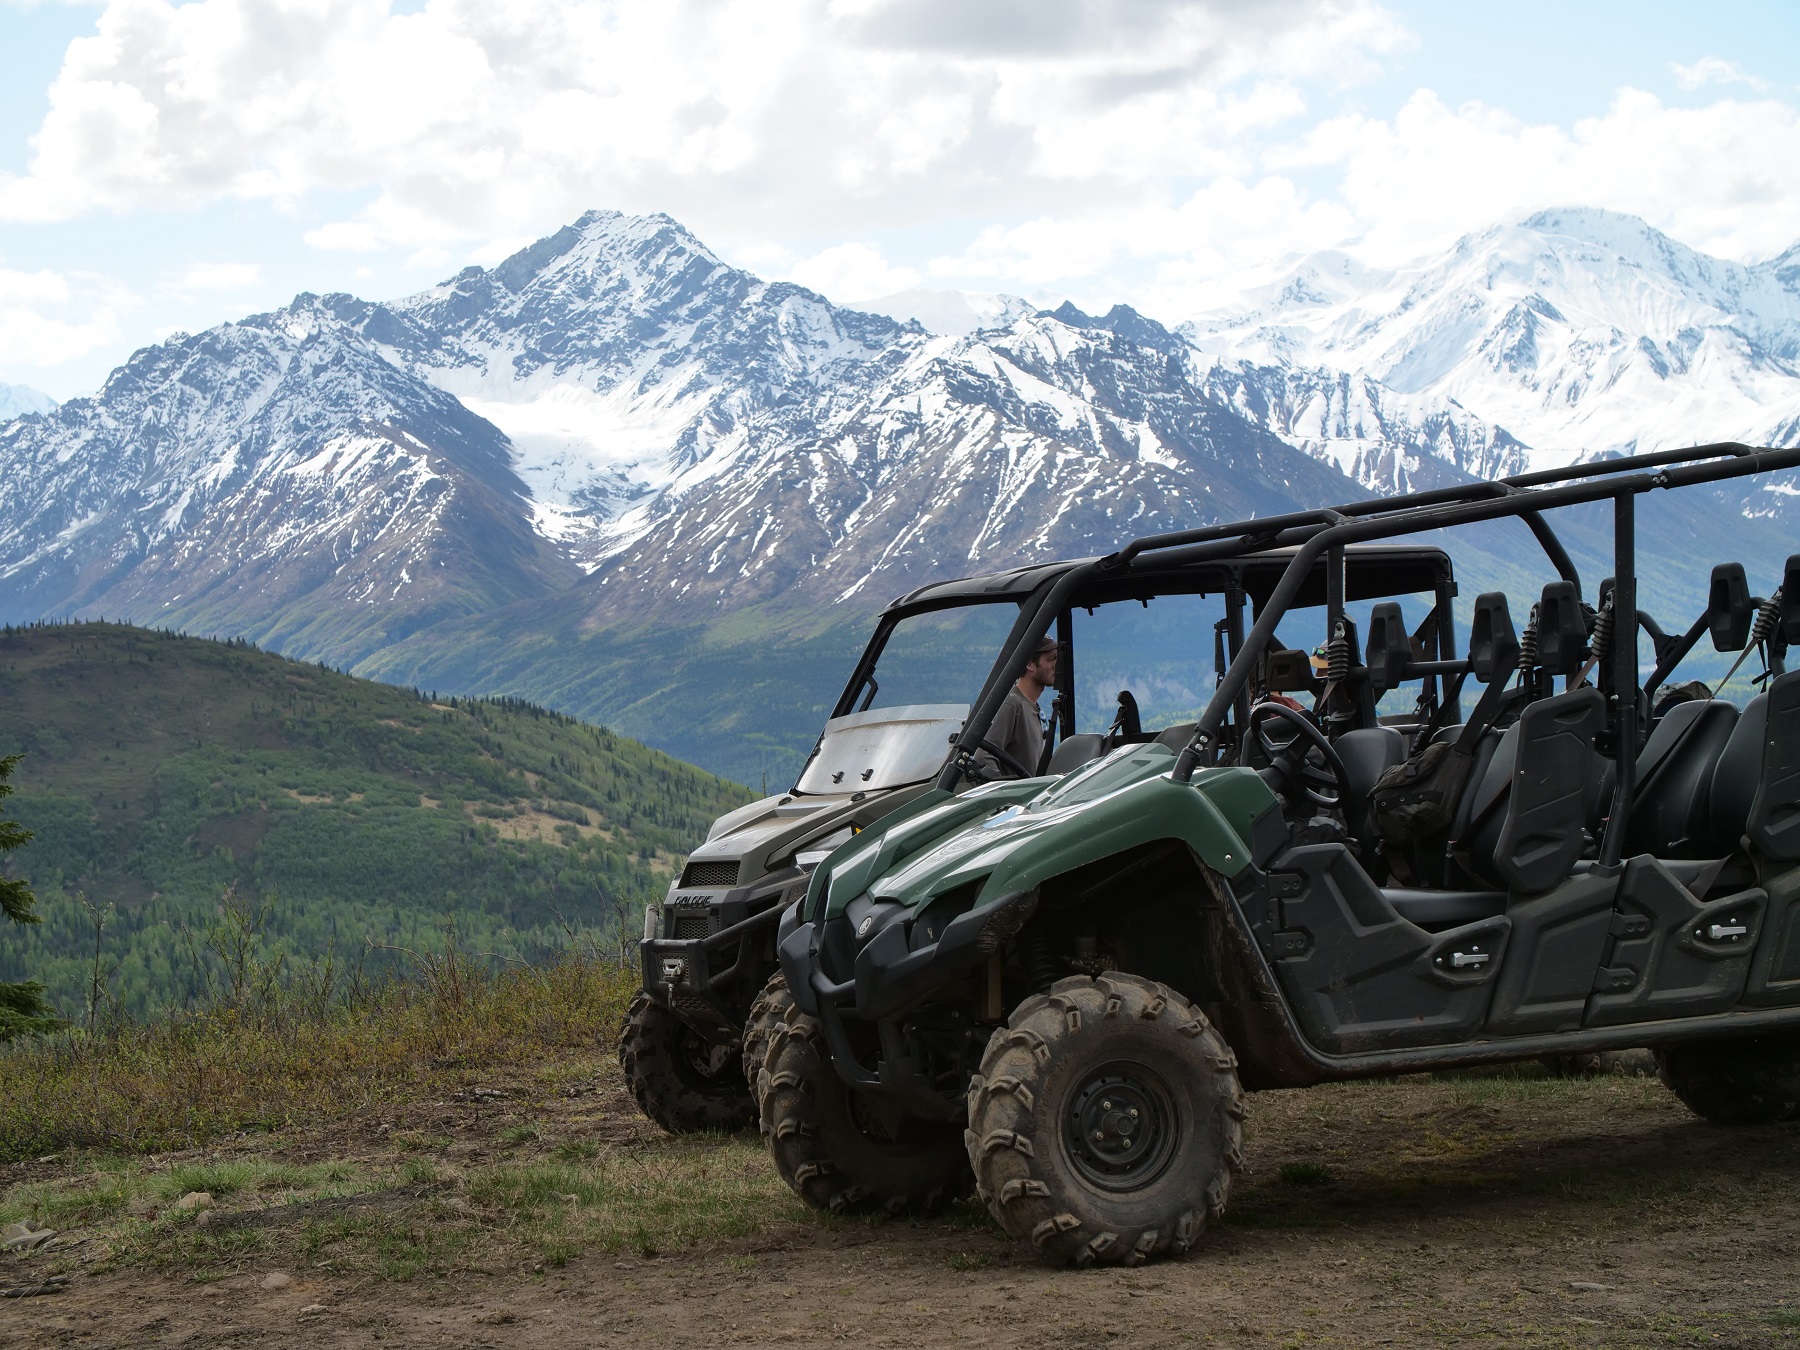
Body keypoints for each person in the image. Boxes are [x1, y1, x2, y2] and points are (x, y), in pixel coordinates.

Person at [975, 635, 1057, 778]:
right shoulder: (1012, 704)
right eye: (1051, 659)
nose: (1057, 665)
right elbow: (983, 758)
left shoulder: (1030, 706)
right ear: (1030, 664)